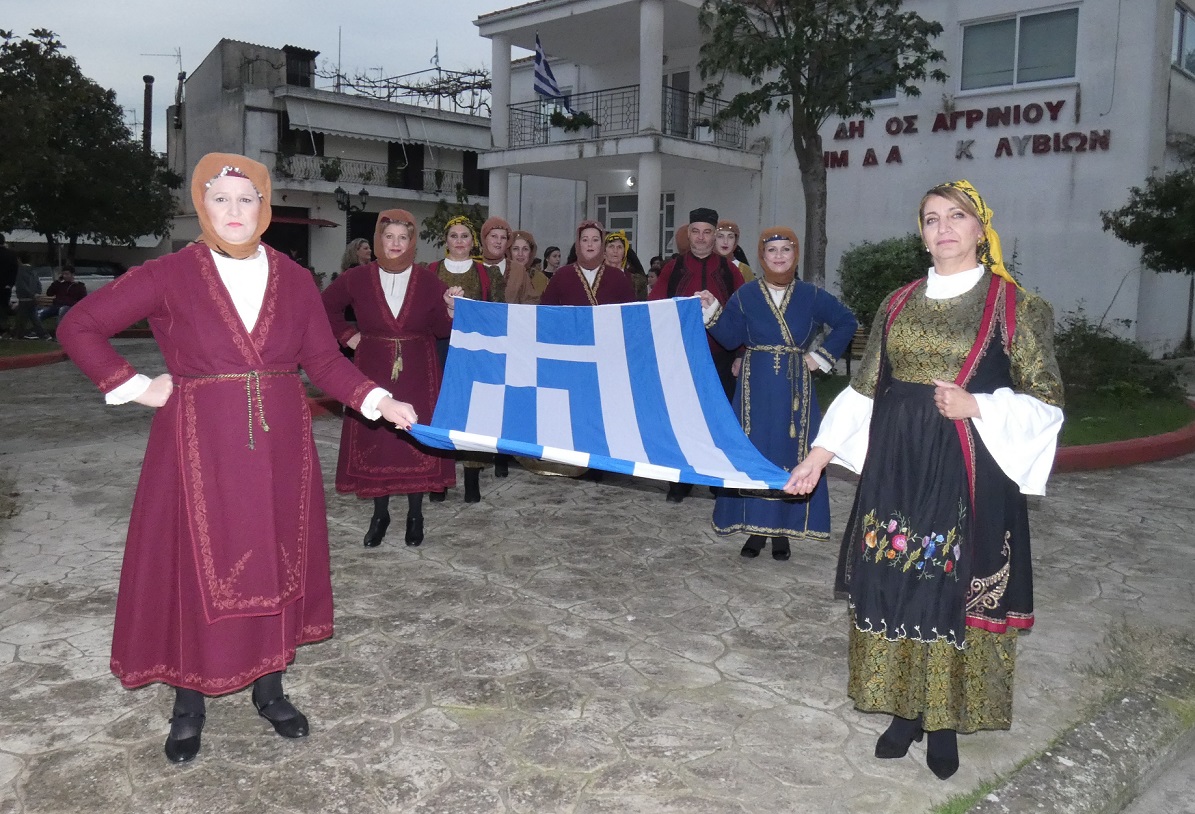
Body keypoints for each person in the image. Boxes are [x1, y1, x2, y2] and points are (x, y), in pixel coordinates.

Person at [57, 153, 418, 765]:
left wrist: (378, 399)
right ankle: (188, 703)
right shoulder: (170, 272)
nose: (233, 210)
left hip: (281, 448)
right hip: (196, 445)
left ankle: (270, 689)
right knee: (196, 565)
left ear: (264, 208)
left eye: (246, 199)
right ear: (201, 205)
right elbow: (80, 325)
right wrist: (135, 385)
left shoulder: (294, 278)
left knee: (274, 557)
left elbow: (322, 360)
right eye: (220, 198)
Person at [783, 180, 1064, 780]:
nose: (944, 229)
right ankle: (905, 712)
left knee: (947, 589)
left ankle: (942, 723)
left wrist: (978, 405)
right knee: (898, 580)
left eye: (956, 217)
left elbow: (1048, 399)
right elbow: (865, 387)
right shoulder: (899, 301)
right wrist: (818, 456)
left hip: (968, 467)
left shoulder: (1014, 306)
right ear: (922, 234)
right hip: (897, 465)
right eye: (932, 219)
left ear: (981, 228)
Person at [699, 227, 856, 561]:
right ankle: (755, 529)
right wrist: (711, 310)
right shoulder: (745, 295)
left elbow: (846, 321)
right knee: (756, 451)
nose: (779, 256)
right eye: (772, 250)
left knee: (790, 451)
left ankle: (783, 530)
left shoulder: (811, 295)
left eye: (786, 249)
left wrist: (820, 358)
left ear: (795, 254)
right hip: (754, 388)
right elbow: (730, 337)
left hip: (794, 386)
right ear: (762, 255)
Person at [322, 210, 458, 548]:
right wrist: (349, 337)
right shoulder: (357, 278)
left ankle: (415, 515)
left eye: (402, 237)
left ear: (412, 242)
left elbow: (442, 329)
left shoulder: (429, 281)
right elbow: (325, 306)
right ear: (378, 240)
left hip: (419, 370)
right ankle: (380, 515)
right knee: (378, 441)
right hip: (372, 369)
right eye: (388, 236)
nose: (395, 243)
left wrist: (451, 309)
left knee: (414, 438)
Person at [650, 208, 746, 502]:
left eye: (707, 232)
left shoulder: (729, 271)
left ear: (715, 235)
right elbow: (655, 307)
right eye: (695, 231)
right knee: (682, 419)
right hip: (682, 357)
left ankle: (719, 480)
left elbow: (743, 314)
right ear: (688, 234)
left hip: (721, 358)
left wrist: (741, 354)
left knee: (720, 419)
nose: (701, 238)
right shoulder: (673, 268)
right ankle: (681, 480)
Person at [430, 215, 495, 503]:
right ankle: (438, 478)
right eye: (454, 236)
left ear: (473, 242)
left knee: (473, 411)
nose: (459, 241)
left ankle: (472, 477)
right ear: (446, 241)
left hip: (474, 350)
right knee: (440, 408)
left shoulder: (487, 274)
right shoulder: (430, 270)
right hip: (439, 347)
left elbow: (497, 313)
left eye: (464, 236)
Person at [540, 220, 636, 306]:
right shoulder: (562, 275)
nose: (590, 244)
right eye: (585, 240)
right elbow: (546, 310)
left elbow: (631, 312)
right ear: (578, 244)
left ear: (602, 244)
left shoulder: (617, 276)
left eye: (595, 240)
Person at [480, 216, 534, 306]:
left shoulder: (518, 271)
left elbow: (531, 302)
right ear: (484, 238)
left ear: (508, 242)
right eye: (494, 236)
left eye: (503, 237)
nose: (498, 241)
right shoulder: (472, 267)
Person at [604, 230, 649, 301]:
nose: (615, 250)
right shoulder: (595, 278)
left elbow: (640, 305)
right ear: (604, 251)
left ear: (624, 252)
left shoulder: (638, 281)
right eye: (611, 246)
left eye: (619, 247)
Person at [12, 254, 47, 339]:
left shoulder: (20, 270)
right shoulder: (33, 270)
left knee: (21, 317)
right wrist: (37, 293)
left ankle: (18, 334)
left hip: (24, 297)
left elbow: (22, 285)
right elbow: (38, 283)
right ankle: (43, 334)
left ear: (19, 259)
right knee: (33, 317)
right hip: (33, 298)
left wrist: (30, 294)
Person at [511, 230, 550, 305]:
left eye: (525, 249)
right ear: (509, 252)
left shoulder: (540, 279)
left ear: (531, 253)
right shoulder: (502, 275)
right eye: (515, 249)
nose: (520, 254)